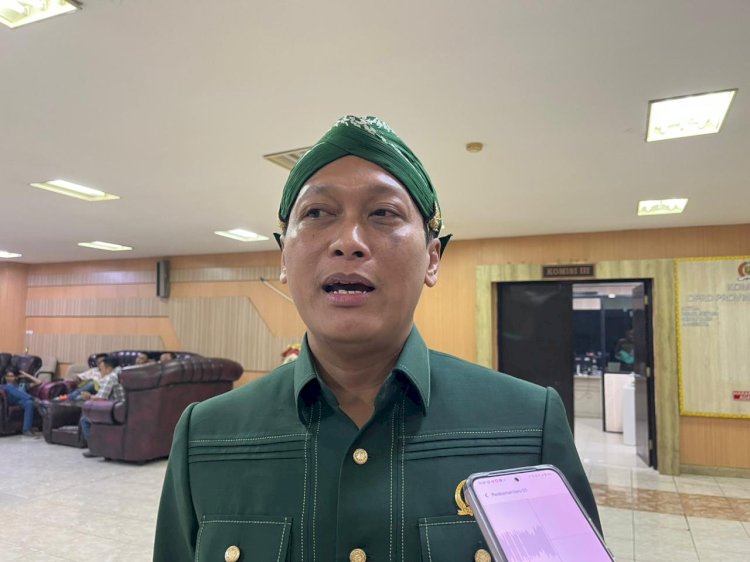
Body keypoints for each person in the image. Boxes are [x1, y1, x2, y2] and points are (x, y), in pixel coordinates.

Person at [154, 116, 601, 560]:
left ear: (432, 259)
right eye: (317, 213)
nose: (348, 241)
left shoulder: (528, 425)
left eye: (383, 213)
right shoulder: (206, 436)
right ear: (283, 258)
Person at [79, 356, 125, 458]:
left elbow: (102, 398)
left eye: (101, 369)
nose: (100, 372)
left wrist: (89, 396)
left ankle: (95, 448)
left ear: (108, 369)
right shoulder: (120, 372)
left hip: (115, 411)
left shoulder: (110, 377)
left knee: (85, 418)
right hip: (123, 408)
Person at [0, 367, 42, 437]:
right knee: (10, 386)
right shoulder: (4, 386)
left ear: (16, 377)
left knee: (29, 403)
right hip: (11, 400)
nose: (9, 378)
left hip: (21, 402)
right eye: (7, 376)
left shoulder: (22, 385)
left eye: (11, 376)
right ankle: (32, 398)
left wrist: (26, 375)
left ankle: (26, 430)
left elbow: (39, 382)